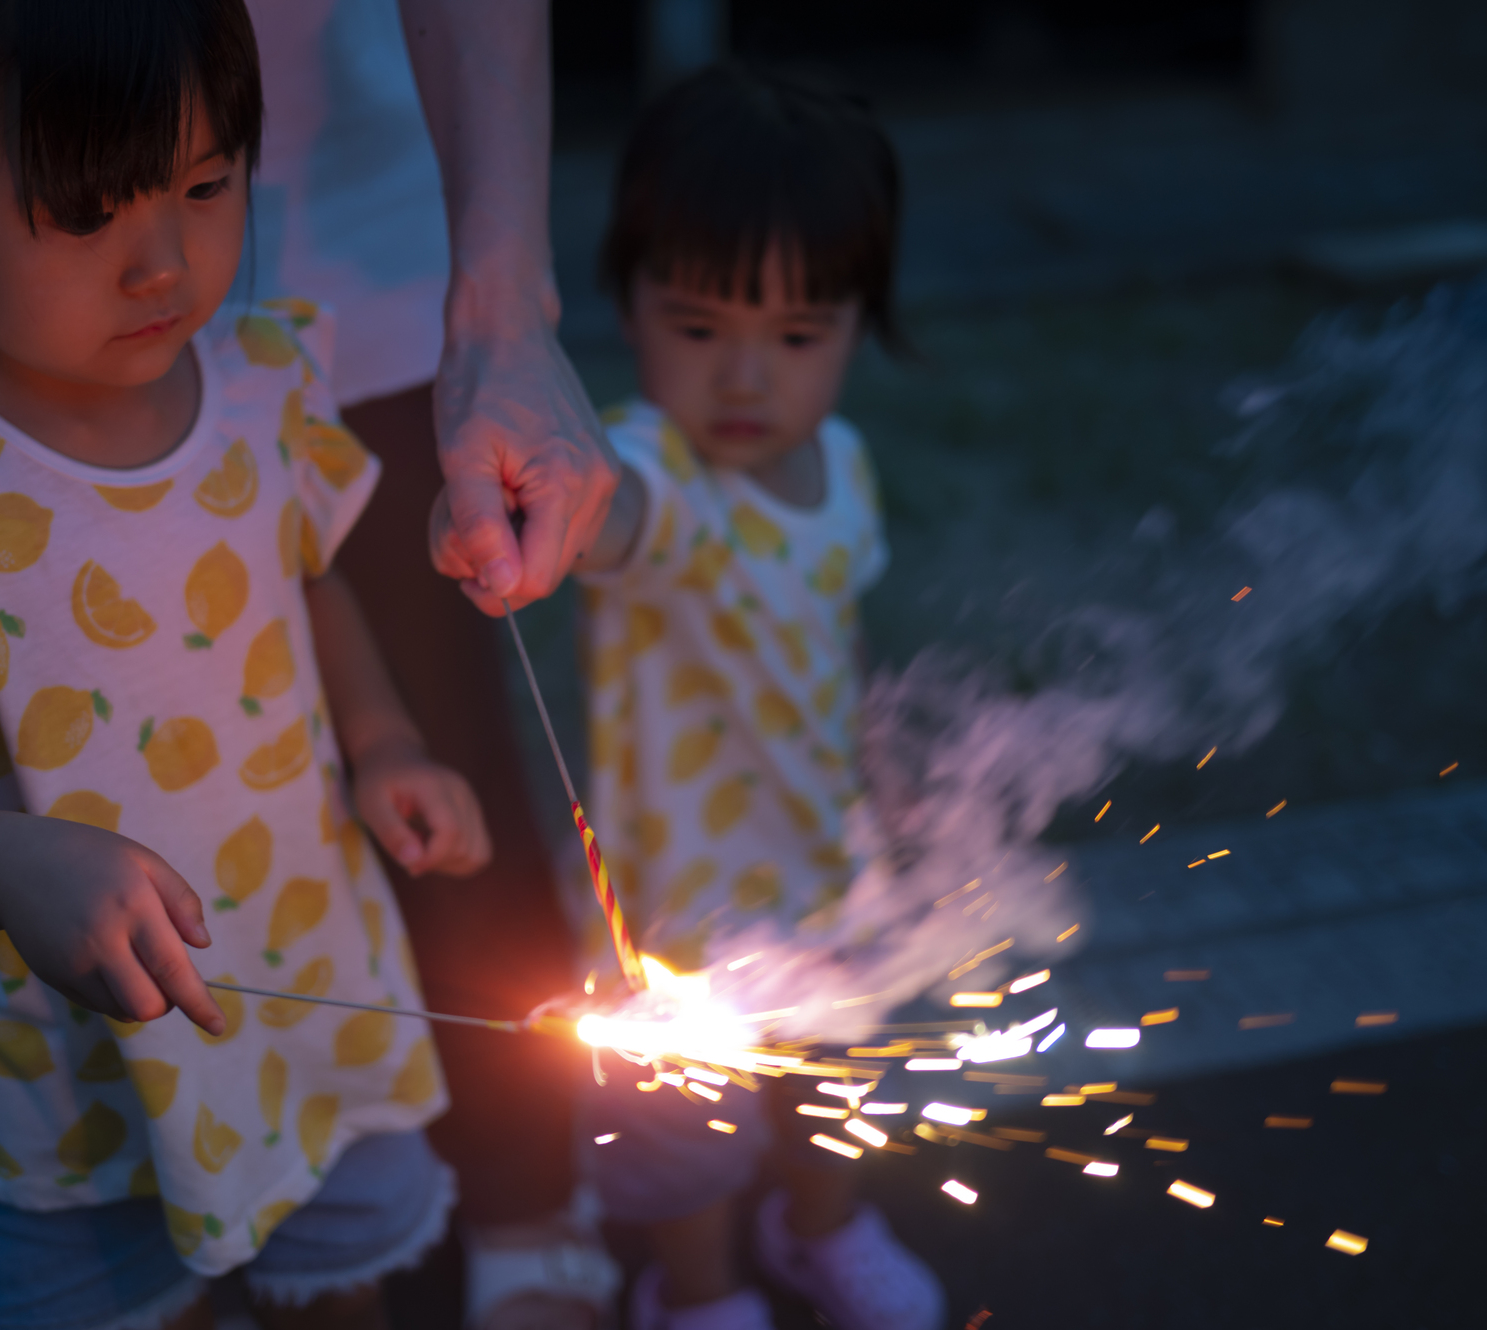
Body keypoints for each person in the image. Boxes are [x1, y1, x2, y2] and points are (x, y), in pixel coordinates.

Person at [0, 2, 614, 1324]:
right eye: (83, 213)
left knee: (342, 1295)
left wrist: (383, 744)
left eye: (207, 183)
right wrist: (9, 862)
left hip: (303, 1023)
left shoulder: (263, 376)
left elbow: (299, 582)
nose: (162, 264)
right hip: (59, 1121)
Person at [560, 64, 945, 1330]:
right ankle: (699, 1285)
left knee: (831, 1078)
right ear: (624, 305)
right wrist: (549, 488)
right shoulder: (653, 473)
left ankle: (818, 1225)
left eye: (793, 336)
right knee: (688, 1125)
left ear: (855, 324)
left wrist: (887, 783)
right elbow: (610, 515)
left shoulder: (840, 472)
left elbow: (831, 643)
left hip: (820, 875)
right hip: (674, 909)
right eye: (696, 324)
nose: (742, 377)